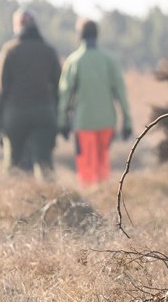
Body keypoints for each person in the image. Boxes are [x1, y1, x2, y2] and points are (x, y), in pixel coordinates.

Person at [57, 19, 133, 187]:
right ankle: (105, 198)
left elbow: (65, 93)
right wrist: (127, 120)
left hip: (83, 122)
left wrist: (62, 121)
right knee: (103, 163)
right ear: (97, 35)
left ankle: (90, 203)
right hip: (107, 122)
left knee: (86, 167)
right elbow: (121, 92)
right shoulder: (109, 60)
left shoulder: (74, 61)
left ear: (80, 35)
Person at [0, 8, 63, 179]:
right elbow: (59, 86)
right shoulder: (49, 51)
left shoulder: (9, 50)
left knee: (13, 166)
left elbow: (1, 89)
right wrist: (58, 115)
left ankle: (16, 201)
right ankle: (50, 200)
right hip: (44, 113)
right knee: (45, 165)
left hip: (15, 114)